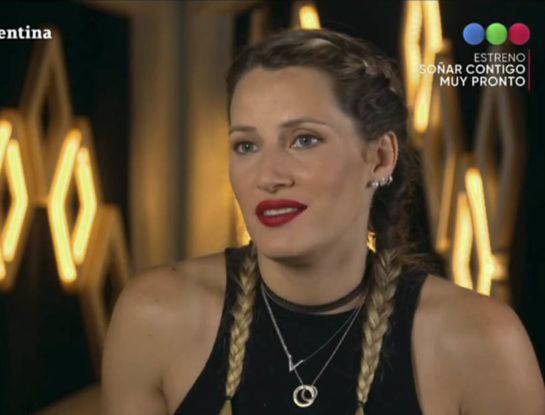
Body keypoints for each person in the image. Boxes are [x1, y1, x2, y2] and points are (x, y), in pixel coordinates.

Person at [101, 28, 545, 415]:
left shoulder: (480, 342)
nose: (268, 176)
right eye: (246, 145)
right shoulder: (156, 316)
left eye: (304, 140)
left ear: (380, 157)